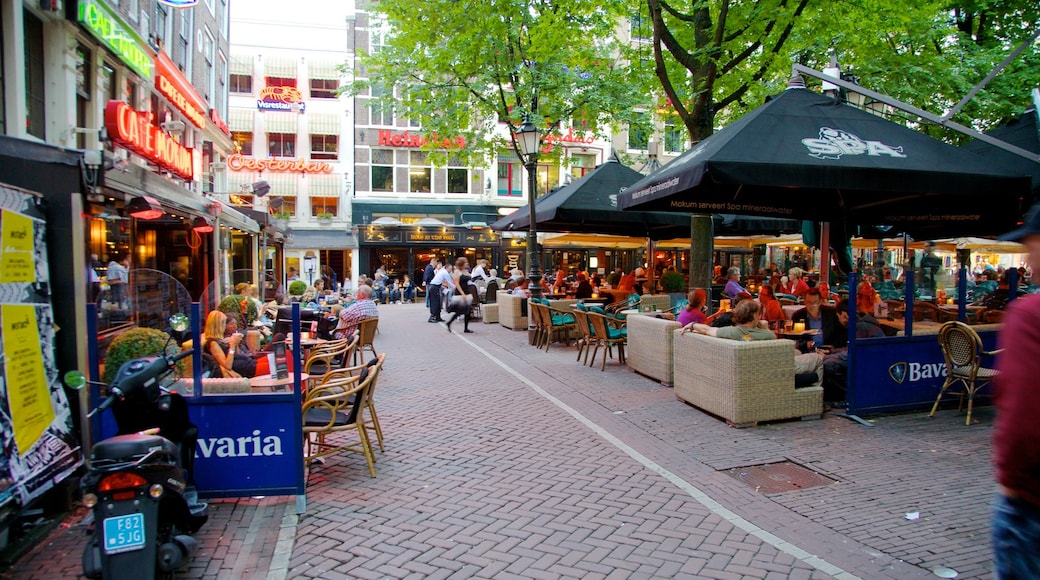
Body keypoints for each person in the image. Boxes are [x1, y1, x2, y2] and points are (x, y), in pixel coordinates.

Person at [990, 203, 1040, 578]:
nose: (1028, 260)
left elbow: (1023, 425)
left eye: (1031, 246)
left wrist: (1014, 486)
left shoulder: (1029, 314)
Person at [679, 299, 824, 385]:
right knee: (818, 358)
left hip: (752, 369)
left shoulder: (731, 332)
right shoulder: (767, 335)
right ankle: (816, 395)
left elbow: (707, 330)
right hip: (774, 372)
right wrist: (765, 327)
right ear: (755, 315)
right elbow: (776, 350)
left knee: (797, 352)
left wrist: (692, 325)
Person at [821, 299, 884, 404]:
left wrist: (825, 357)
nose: (839, 320)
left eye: (839, 317)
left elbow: (850, 355)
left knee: (828, 365)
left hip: (870, 361)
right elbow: (851, 350)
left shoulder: (858, 326)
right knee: (831, 361)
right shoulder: (861, 323)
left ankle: (852, 397)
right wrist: (832, 351)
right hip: (871, 358)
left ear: (844, 315)